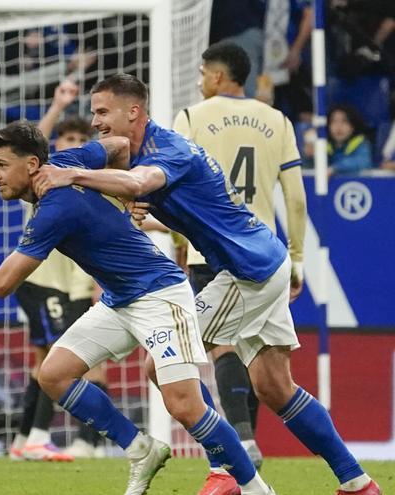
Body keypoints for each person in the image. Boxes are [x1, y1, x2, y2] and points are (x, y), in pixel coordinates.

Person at [34, 73, 380, 495]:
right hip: (264, 260)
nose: (95, 121)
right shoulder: (141, 153)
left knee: (160, 366)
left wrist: (71, 175)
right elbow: (179, 203)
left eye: (103, 112)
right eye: (94, 113)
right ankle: (357, 482)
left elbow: (139, 183)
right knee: (275, 388)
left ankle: (225, 472)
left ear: (134, 111)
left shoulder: (169, 150)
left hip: (246, 272)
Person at [0, 121, 275, 495]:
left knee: (184, 405)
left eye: (1, 165)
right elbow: (120, 145)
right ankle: (140, 448)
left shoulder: (54, 209)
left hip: (160, 295)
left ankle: (256, 489)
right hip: (119, 298)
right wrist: (120, 192)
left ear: (31, 165)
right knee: (53, 374)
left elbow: (2, 284)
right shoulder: (68, 161)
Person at [171, 42, 308, 495]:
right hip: (265, 255)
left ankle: (242, 442)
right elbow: (295, 198)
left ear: (216, 75)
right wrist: (298, 257)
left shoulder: (191, 118)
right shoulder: (278, 120)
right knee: (258, 357)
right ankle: (249, 460)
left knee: (218, 344)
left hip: (210, 250)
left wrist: (179, 243)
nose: (199, 82)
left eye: (201, 73)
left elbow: (174, 188)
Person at [8, 80, 107, 462]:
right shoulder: (41, 177)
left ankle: (23, 441)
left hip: (73, 285)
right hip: (40, 280)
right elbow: (32, 146)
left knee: (49, 361)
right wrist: (57, 106)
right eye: (67, 138)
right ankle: (41, 437)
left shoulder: (91, 183)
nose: (73, 144)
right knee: (59, 359)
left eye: (80, 139)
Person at [327, 104, 374, 175]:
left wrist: (335, 168)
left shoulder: (361, 143)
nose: (338, 126)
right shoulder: (321, 143)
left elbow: (363, 162)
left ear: (352, 126)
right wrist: (311, 156)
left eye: (344, 121)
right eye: (334, 121)